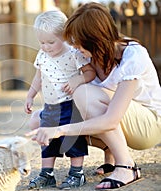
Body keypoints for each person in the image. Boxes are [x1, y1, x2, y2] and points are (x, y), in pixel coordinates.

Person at [26, 2, 161, 190]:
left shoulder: (133, 55)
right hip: (120, 121)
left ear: (95, 40)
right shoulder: (88, 56)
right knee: (38, 121)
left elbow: (111, 119)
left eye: (79, 43)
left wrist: (60, 130)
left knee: (84, 94)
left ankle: (127, 166)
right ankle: (110, 154)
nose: (74, 47)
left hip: (148, 126)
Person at [24, 10, 96, 190]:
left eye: (50, 42)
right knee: (46, 140)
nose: (46, 47)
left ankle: (76, 173)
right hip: (49, 107)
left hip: (70, 105)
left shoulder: (73, 53)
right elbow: (38, 78)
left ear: (64, 36)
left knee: (73, 138)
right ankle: (46, 174)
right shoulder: (42, 55)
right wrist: (30, 95)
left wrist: (77, 80)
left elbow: (90, 72)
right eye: (41, 42)